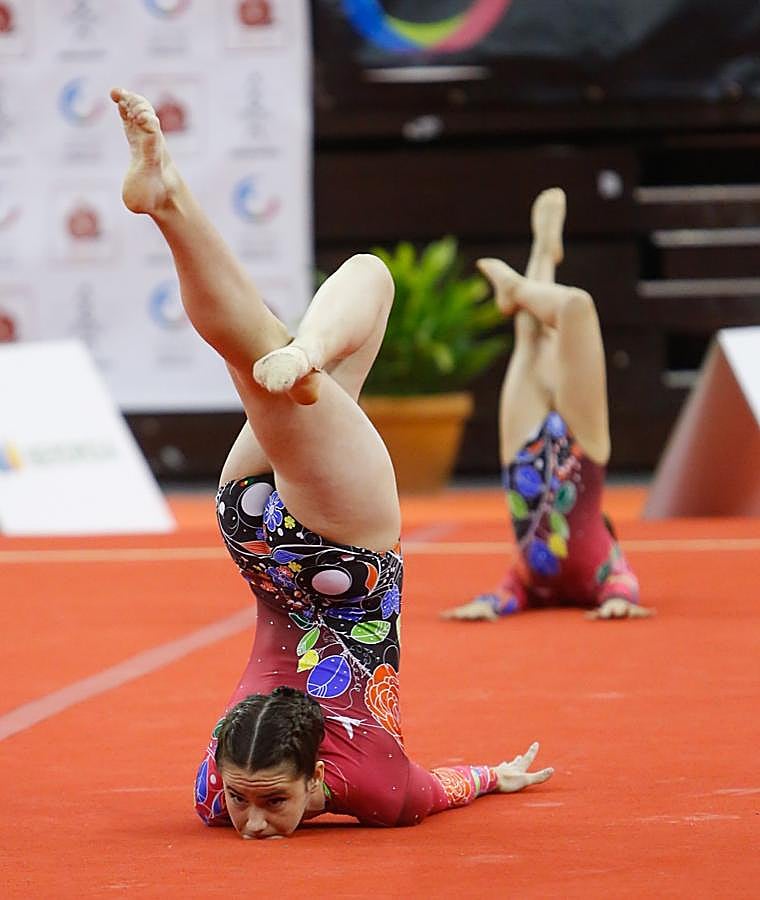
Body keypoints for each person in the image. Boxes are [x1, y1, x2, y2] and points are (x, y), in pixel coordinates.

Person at [111, 88, 553, 839]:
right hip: (257, 531)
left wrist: (477, 779)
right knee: (361, 284)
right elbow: (448, 787)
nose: (249, 819)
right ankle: (295, 342)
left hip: (337, 552)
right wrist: (496, 776)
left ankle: (182, 215)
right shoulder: (369, 787)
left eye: (252, 800)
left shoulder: (221, 789)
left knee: (260, 353)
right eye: (261, 801)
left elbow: (431, 788)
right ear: (319, 775)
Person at [443, 189, 652, 623]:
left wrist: (485, 605)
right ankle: (521, 286)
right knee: (576, 307)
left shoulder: (530, 581)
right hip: (583, 449)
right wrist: (619, 601)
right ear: (609, 533)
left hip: (519, 456)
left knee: (531, 338)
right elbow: (623, 583)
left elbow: (506, 592)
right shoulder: (603, 563)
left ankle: (541, 250)